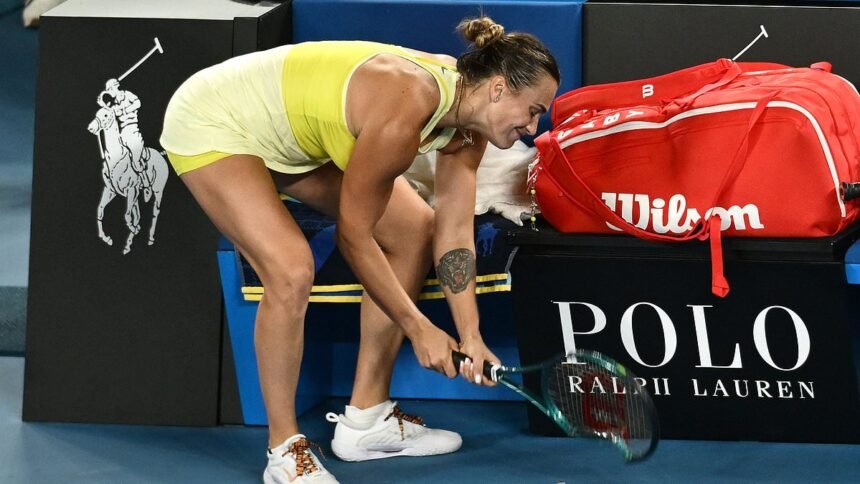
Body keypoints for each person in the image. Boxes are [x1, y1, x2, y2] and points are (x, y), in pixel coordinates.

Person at [160, 16, 559, 484]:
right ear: (496, 89)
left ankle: (365, 423)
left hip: (289, 137)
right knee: (290, 269)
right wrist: (419, 327)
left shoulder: (467, 128)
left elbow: (452, 234)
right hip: (216, 119)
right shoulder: (405, 108)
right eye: (531, 110)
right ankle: (284, 450)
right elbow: (355, 235)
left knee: (414, 230)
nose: (532, 128)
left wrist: (469, 334)